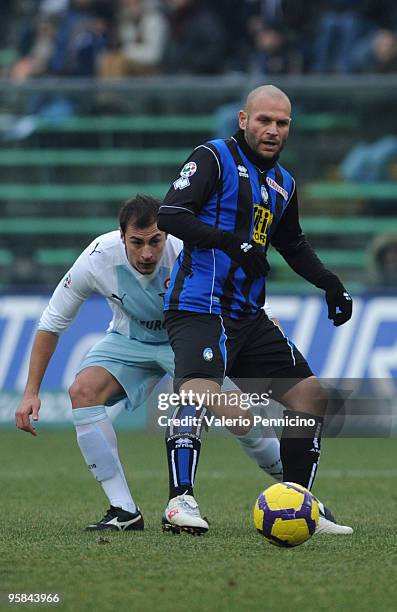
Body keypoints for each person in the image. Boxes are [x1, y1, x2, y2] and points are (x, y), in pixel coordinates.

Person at [15, 194, 282, 531]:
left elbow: (233, 288)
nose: (146, 253)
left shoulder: (190, 247)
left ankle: (298, 488)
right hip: (131, 341)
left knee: (240, 418)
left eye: (155, 241)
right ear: (121, 236)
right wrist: (31, 392)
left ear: (166, 235)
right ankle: (124, 510)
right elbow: (51, 323)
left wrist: (266, 318)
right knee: (82, 391)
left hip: (188, 339)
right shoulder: (97, 258)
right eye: (136, 242)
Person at [157, 84, 354, 535]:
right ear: (244, 120)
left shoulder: (284, 183)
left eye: (281, 123)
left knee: (309, 396)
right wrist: (231, 242)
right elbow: (170, 214)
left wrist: (330, 284)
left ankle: (300, 504)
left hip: (248, 314)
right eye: (264, 120)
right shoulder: (212, 157)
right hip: (200, 306)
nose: (272, 130)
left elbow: (294, 244)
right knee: (198, 389)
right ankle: (179, 501)